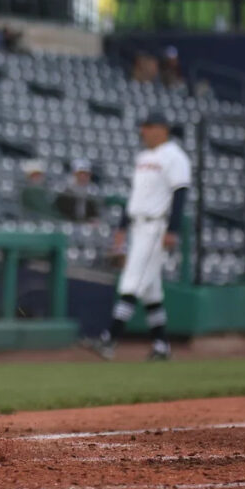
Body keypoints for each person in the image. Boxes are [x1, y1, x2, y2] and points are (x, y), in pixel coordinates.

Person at [85, 111, 190, 361]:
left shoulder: (175, 156)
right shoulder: (143, 157)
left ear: (162, 129)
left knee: (132, 281)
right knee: (151, 292)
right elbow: (135, 196)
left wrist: (172, 230)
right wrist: (122, 228)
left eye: (148, 126)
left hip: (156, 227)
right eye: (143, 127)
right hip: (137, 225)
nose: (143, 131)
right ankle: (161, 346)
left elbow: (180, 194)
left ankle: (109, 339)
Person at [54, 158, 100, 222]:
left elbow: (95, 213)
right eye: (80, 174)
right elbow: (60, 212)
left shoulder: (93, 191)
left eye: (86, 174)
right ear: (74, 174)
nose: (83, 177)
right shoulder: (65, 190)